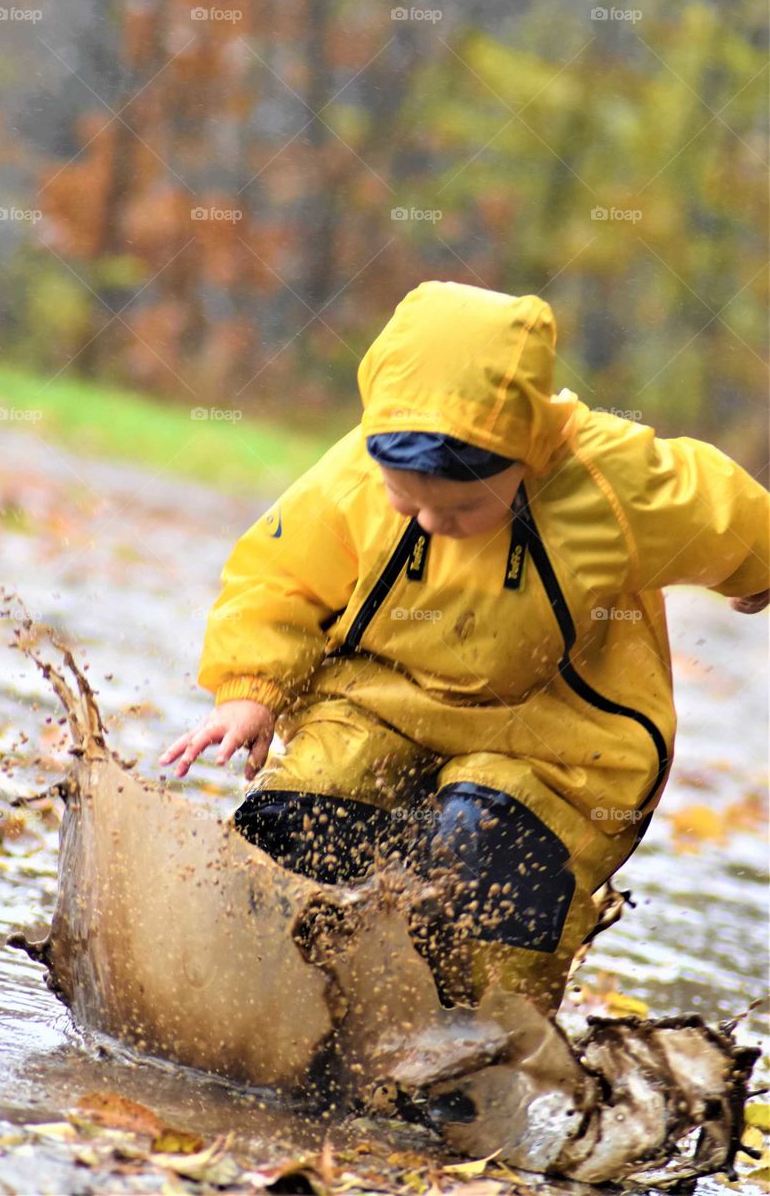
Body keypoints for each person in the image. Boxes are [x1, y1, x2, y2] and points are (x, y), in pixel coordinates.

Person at [160, 281, 769, 1013]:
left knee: (491, 859)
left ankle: (475, 1036)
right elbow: (277, 578)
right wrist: (250, 692)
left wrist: (760, 571)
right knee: (300, 819)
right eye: (407, 499)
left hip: (554, 737)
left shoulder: (608, 483)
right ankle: (254, 1000)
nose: (429, 522)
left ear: (527, 454)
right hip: (377, 704)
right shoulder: (354, 479)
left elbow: (721, 510)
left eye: (462, 505)